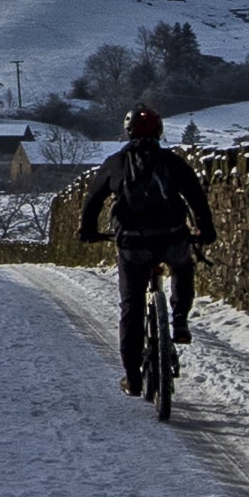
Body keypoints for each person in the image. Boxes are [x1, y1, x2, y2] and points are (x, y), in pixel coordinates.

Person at [77, 107, 215, 395]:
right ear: (159, 131)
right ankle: (179, 320)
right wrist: (204, 229)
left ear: (128, 132)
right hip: (172, 238)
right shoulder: (172, 163)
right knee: (182, 266)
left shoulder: (115, 163)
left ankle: (133, 378)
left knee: (131, 308)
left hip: (133, 245)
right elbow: (196, 197)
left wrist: (88, 231)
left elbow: (92, 201)